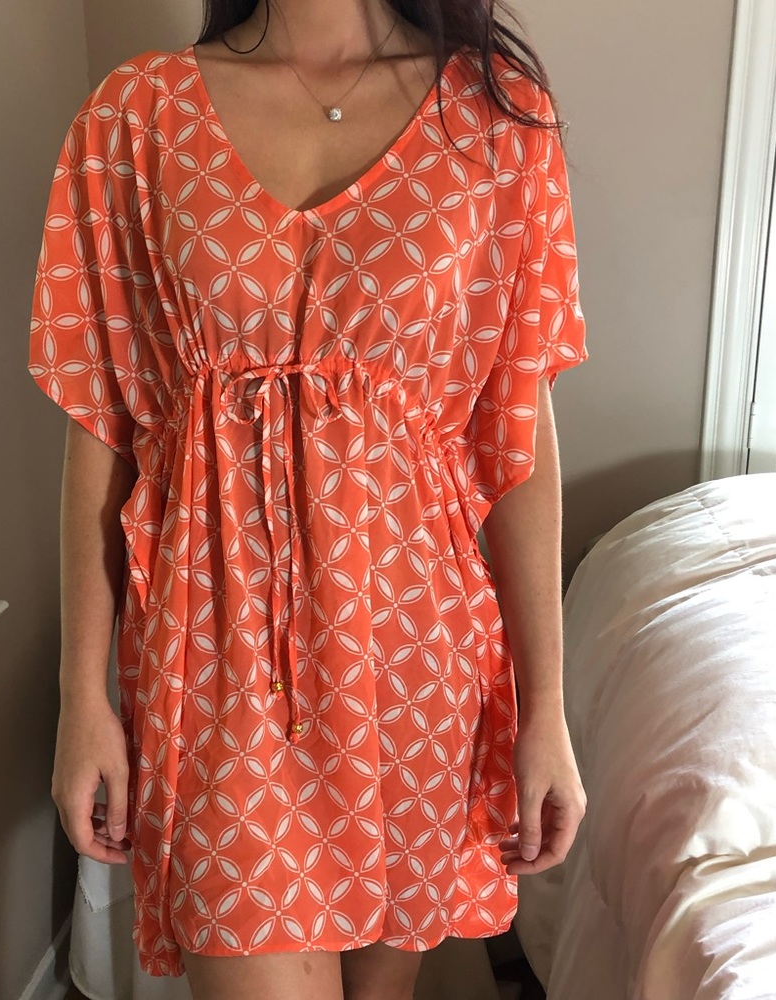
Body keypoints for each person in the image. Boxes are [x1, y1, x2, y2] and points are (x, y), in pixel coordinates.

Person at [29, 1, 589, 997]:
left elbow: (514, 433)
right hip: (215, 663)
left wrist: (544, 708)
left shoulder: (498, 118)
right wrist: (84, 697)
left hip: (412, 653)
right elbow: (103, 424)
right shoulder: (134, 119)